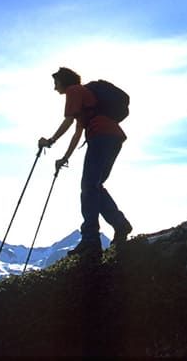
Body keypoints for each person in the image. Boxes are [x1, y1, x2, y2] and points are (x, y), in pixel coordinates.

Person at [38, 67, 132, 257]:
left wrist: (50, 141)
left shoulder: (74, 91)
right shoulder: (86, 97)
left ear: (64, 81)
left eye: (56, 83)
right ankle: (120, 225)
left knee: (89, 187)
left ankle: (90, 240)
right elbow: (78, 131)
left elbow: (69, 121)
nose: (54, 88)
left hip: (101, 136)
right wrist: (65, 158)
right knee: (95, 186)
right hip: (113, 137)